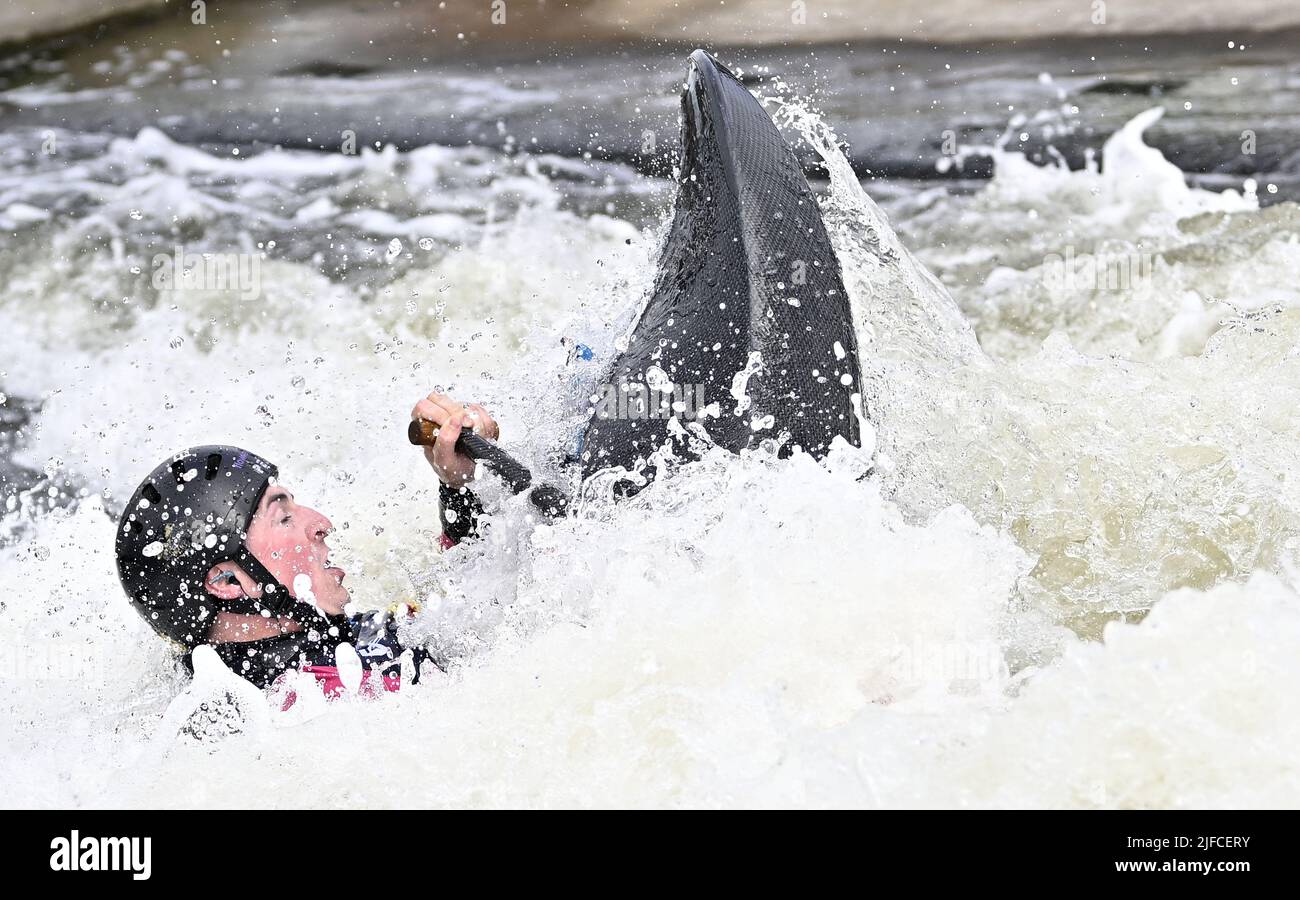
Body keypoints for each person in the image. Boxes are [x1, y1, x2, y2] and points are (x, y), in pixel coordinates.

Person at [114, 392, 499, 698]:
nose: (321, 524)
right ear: (229, 582)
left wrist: (460, 488)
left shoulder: (314, 651)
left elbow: (465, 612)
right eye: (283, 517)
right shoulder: (314, 700)